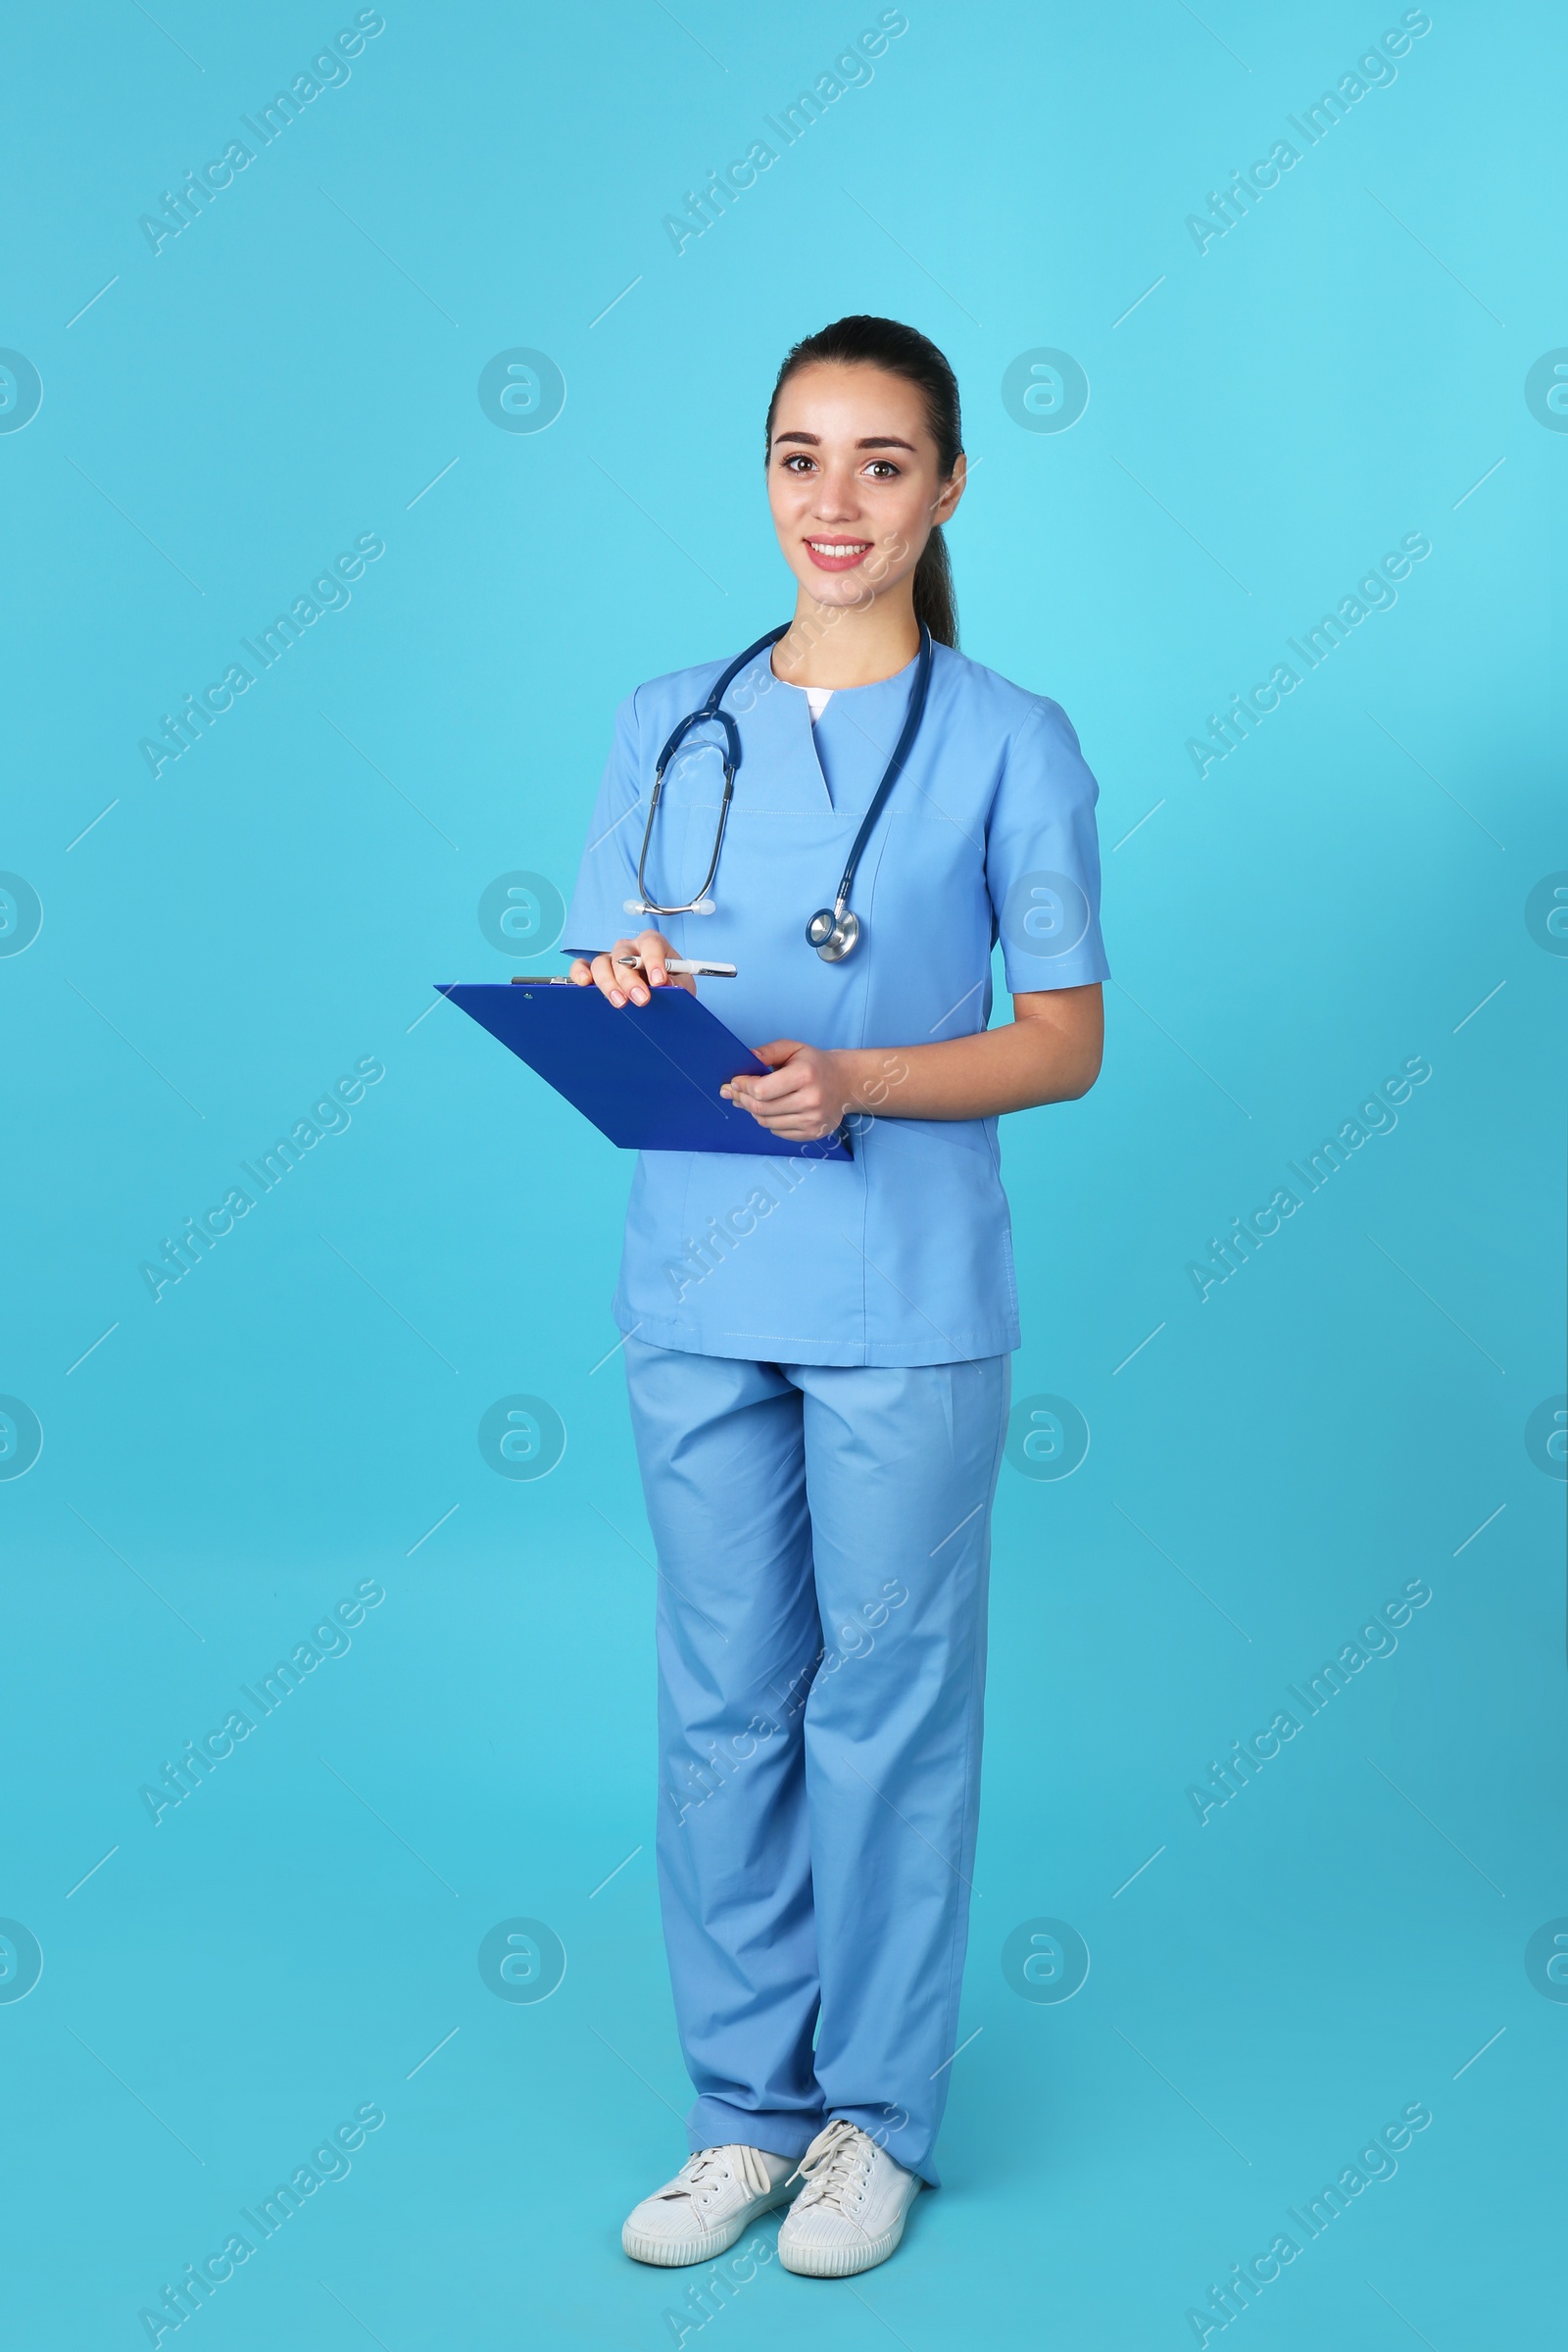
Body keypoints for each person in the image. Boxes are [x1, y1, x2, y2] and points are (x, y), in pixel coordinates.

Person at [564, 315, 1107, 2279]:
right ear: (765, 479)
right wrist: (618, 986)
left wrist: (864, 1077)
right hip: (697, 1271)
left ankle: (870, 2116)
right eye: (801, 456)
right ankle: (739, 2112)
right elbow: (606, 954)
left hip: (903, 1283)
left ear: (946, 488)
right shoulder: (663, 717)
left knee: (881, 1707)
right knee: (720, 1705)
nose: (834, 500)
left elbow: (1062, 1043)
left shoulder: (1010, 741)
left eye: (881, 462)